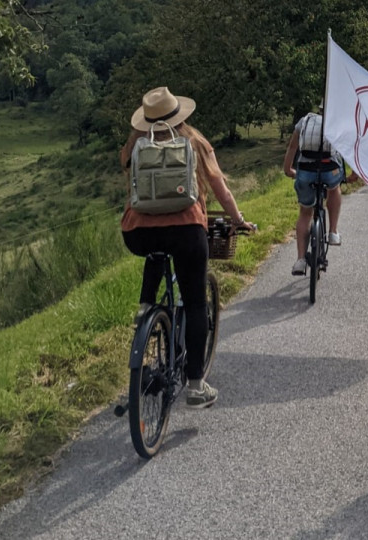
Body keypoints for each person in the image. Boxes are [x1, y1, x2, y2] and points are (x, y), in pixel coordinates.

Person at [120, 86, 254, 409]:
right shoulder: (194, 140)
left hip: (138, 233)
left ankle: (145, 310)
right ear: (179, 114)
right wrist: (238, 220)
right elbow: (220, 188)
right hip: (187, 231)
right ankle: (195, 385)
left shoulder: (136, 143)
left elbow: (126, 166)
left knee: (155, 251)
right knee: (195, 304)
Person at [282, 104, 354, 276]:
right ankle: (333, 232)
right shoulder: (338, 124)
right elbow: (350, 150)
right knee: (334, 188)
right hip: (330, 170)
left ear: (320, 110)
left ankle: (300, 260)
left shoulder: (305, 121)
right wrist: (353, 175)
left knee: (305, 213)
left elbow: (293, 147)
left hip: (306, 171)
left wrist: (288, 170)